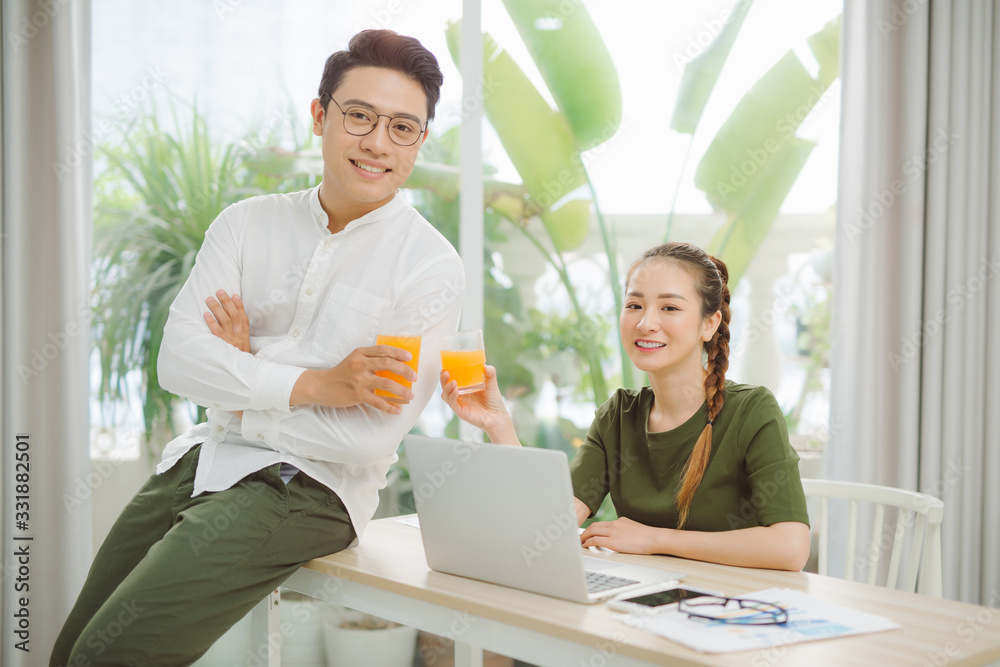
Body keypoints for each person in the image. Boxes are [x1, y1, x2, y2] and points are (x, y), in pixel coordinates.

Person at [51, 29, 463, 666]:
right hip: (201, 462)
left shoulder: (429, 266)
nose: (379, 143)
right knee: (71, 654)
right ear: (320, 116)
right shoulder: (246, 224)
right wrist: (320, 384)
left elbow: (370, 440)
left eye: (403, 127)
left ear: (421, 139)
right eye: (359, 116)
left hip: (307, 490)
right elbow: (178, 361)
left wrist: (240, 382)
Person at [441, 242, 810, 571]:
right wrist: (498, 426)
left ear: (709, 324)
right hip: (643, 604)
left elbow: (791, 547)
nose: (646, 323)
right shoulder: (618, 416)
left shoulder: (752, 411)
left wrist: (655, 539)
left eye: (669, 307)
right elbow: (552, 523)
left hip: (733, 613)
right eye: (634, 305)